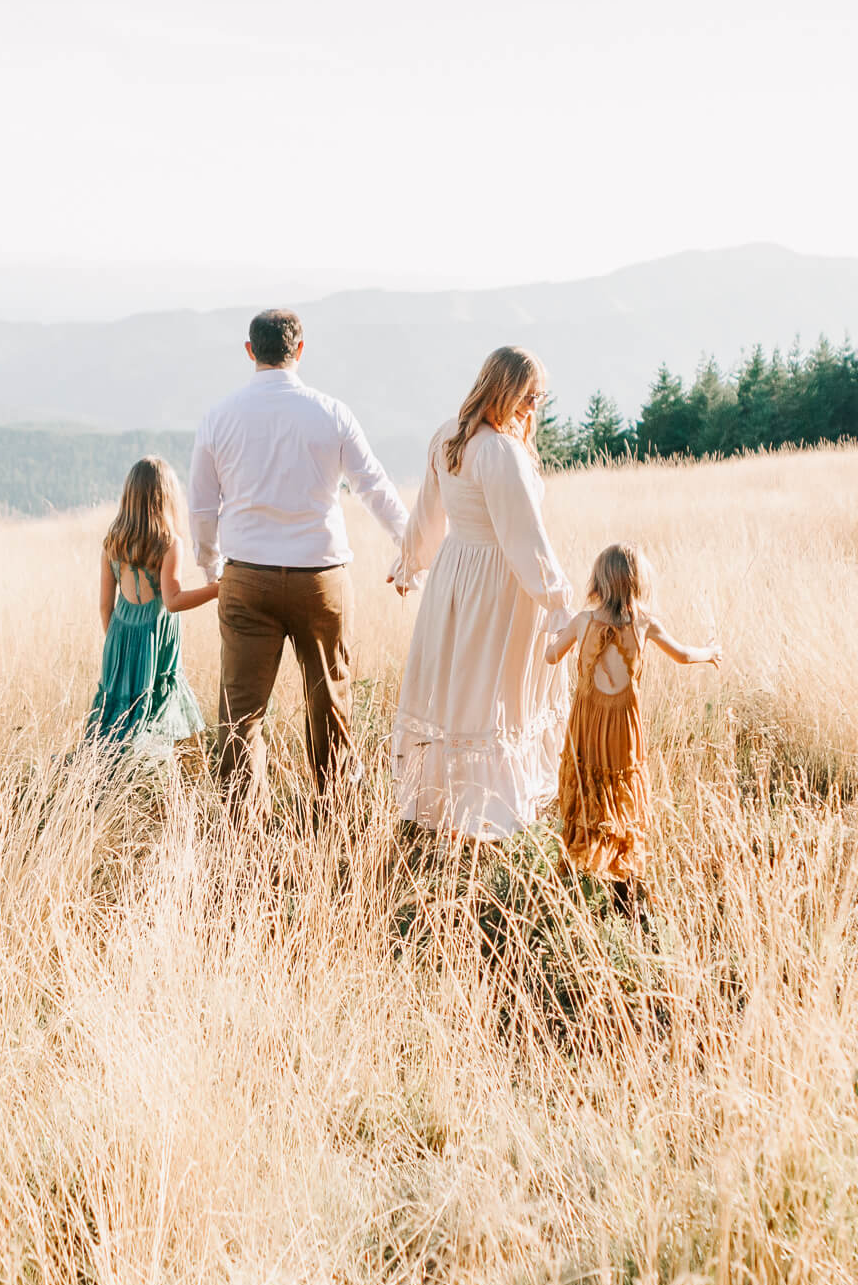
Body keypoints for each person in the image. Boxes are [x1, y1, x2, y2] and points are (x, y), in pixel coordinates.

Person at [188, 308, 408, 809]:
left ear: (250, 352)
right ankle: (338, 822)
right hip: (321, 581)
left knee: (240, 718)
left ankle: (243, 838)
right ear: (300, 350)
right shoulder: (331, 412)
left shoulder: (218, 417)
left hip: (246, 578)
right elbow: (373, 485)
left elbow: (202, 507)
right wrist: (409, 547)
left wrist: (212, 568)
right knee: (331, 706)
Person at [389, 345, 573, 840]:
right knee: (494, 692)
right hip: (499, 583)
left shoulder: (447, 435)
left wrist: (412, 561)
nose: (533, 408)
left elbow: (428, 513)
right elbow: (523, 536)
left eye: (539, 399)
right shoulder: (498, 452)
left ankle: (453, 805)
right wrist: (557, 598)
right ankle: (487, 812)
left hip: (454, 574)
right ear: (502, 389)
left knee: (459, 685)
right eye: (527, 397)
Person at [546, 542, 720, 914]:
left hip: (588, 726)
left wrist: (554, 630)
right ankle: (624, 892)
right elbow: (685, 656)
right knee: (622, 797)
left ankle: (574, 877)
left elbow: (550, 656)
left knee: (586, 789)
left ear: (598, 582)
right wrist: (710, 651)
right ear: (638, 583)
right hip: (624, 728)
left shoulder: (582, 621)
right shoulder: (645, 623)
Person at [85, 457, 219, 758]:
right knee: (153, 721)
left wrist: (118, 645)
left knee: (114, 724)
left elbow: (105, 606)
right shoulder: (170, 544)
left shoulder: (112, 543)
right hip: (154, 646)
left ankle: (102, 780)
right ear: (167, 497)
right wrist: (217, 590)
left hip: (118, 643)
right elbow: (172, 601)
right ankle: (154, 782)